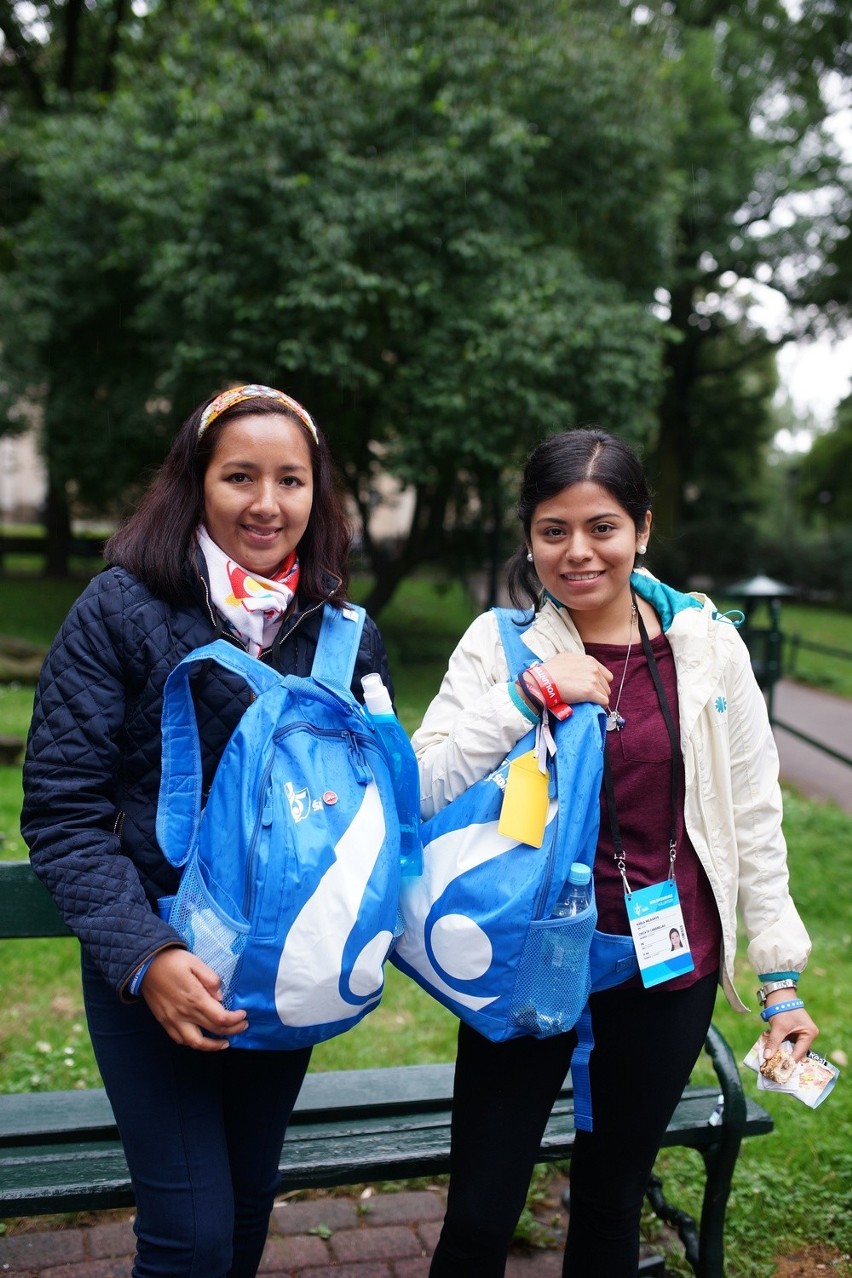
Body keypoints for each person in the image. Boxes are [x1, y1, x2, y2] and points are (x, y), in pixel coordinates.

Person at [412, 428, 818, 1277]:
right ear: (529, 536)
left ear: (642, 529)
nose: (578, 551)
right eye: (553, 530)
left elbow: (752, 811)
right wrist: (527, 696)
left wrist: (779, 977)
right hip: (528, 956)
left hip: (665, 965)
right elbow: (421, 786)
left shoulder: (706, 647)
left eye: (602, 526)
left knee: (611, 1199)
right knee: (482, 1210)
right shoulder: (499, 645)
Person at [22, 384, 393, 1278]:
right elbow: (62, 811)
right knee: (189, 1237)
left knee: (242, 1215)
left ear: (317, 493)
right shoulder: (120, 609)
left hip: (281, 974)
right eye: (240, 477)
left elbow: (374, 798)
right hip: (158, 975)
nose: (267, 504)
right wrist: (145, 957)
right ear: (197, 482)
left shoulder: (342, 630)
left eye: (291, 480)